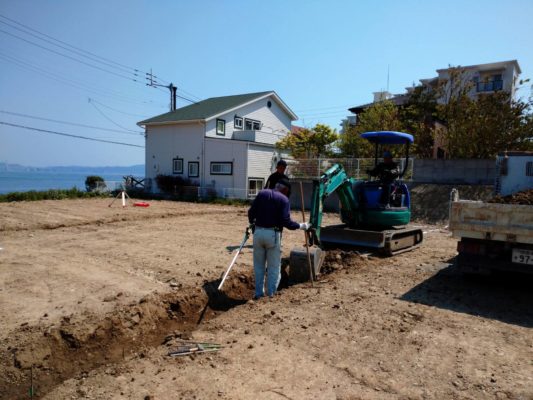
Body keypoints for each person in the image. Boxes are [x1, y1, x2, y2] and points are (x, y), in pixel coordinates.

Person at [248, 178, 310, 299]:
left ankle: (258, 294)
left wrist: (253, 225)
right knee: (274, 267)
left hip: (258, 233)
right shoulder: (284, 199)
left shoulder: (262, 193)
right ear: (285, 189)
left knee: (259, 266)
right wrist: (301, 226)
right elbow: (286, 221)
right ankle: (271, 295)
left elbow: (251, 212)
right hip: (273, 235)